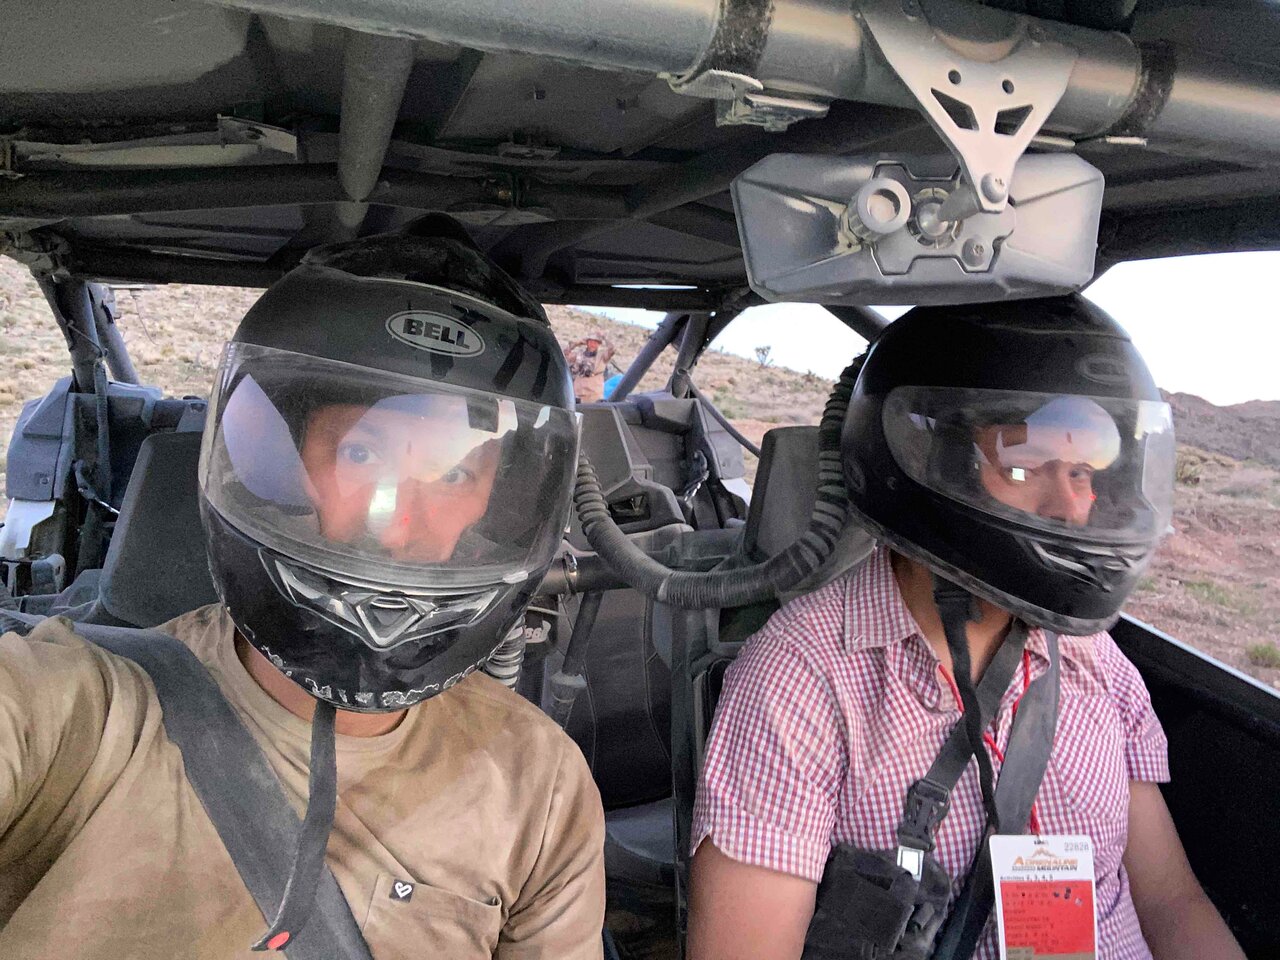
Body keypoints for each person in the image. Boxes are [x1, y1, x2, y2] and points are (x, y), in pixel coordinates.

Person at [0, 225, 606, 959]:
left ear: (493, 500)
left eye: (452, 474)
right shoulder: (75, 708)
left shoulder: (539, 784)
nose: (399, 524)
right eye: (362, 452)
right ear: (286, 468)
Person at [688, 296, 1244, 960]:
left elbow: (1172, 904)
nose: (1072, 507)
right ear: (932, 463)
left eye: (1081, 472)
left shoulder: (1094, 656)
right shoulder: (800, 677)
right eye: (1022, 467)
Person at [563, 332, 616, 404]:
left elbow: (612, 349)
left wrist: (604, 338)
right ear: (587, 343)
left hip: (594, 395)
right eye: (590, 342)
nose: (592, 345)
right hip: (578, 393)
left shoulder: (602, 356)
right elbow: (565, 354)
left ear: (598, 344)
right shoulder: (579, 354)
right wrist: (577, 343)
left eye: (595, 343)